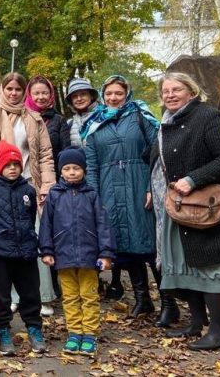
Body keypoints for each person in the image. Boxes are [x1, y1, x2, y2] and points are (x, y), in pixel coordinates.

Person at [151, 72, 220, 350]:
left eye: (176, 90)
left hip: (210, 207)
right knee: (187, 265)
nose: (169, 95)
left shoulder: (209, 117)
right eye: (166, 91)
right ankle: (196, 323)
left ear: (192, 92)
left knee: (211, 266)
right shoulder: (167, 122)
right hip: (181, 207)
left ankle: (217, 330)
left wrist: (193, 179)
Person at [0, 73, 57, 315]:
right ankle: (9, 296)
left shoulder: (34, 118)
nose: (13, 93)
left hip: (28, 184)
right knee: (4, 241)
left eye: (18, 89)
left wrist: (47, 184)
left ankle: (41, 296)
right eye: (9, 88)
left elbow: (44, 153)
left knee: (32, 239)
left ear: (24, 92)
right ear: (2, 89)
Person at [82, 75, 162, 319]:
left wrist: (152, 185)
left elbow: (157, 155)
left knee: (149, 244)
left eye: (118, 93)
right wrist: (94, 198)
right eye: (109, 94)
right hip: (109, 189)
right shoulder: (94, 124)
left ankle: (168, 302)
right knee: (126, 246)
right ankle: (142, 299)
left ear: (127, 93)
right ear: (102, 96)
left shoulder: (141, 117)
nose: (113, 98)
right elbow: (92, 165)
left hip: (139, 184)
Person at [0, 141, 46, 356]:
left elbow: (31, 218)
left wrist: (31, 239)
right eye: (7, 164)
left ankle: (34, 328)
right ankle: (3, 329)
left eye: (16, 164)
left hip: (25, 252)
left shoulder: (28, 190)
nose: (12, 168)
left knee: (31, 292)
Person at [39, 149, 115, 357]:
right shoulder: (54, 195)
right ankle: (74, 332)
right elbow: (46, 225)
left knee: (89, 295)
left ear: (84, 170)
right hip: (63, 256)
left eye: (76, 168)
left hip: (89, 256)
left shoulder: (91, 194)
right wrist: (46, 250)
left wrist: (105, 253)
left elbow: (103, 225)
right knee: (70, 297)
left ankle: (89, 333)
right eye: (67, 168)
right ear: (61, 171)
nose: (72, 172)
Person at [26, 75, 70, 165]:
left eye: (45, 93)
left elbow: (65, 151)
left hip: (52, 173)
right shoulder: (22, 118)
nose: (41, 97)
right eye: (36, 93)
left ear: (51, 94)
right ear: (29, 95)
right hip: (25, 174)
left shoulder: (59, 120)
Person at [65, 77, 98, 149]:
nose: (79, 99)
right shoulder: (70, 124)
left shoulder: (103, 117)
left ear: (91, 96)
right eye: (75, 96)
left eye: (83, 94)